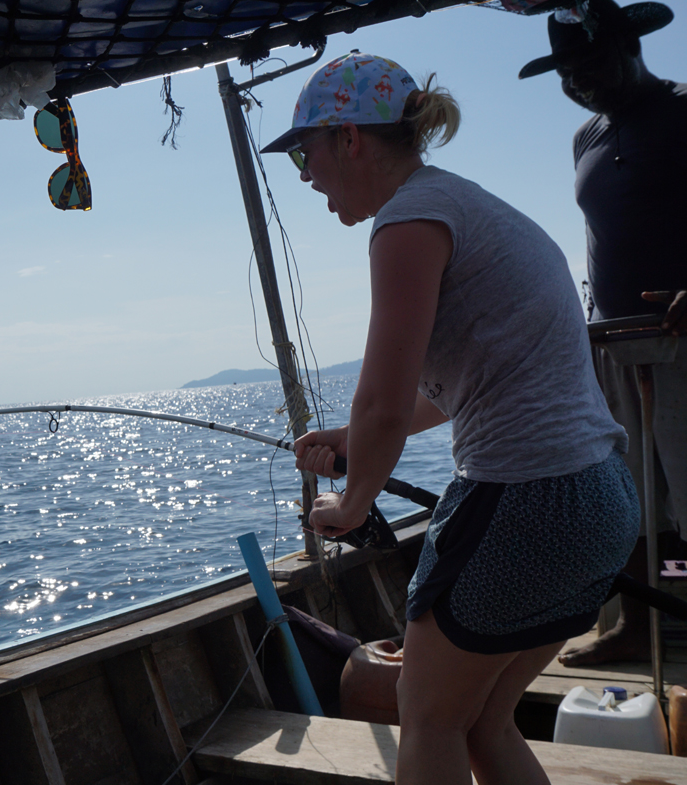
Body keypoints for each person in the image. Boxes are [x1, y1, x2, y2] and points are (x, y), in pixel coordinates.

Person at [264, 52, 640, 784]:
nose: (303, 173)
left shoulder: (407, 219)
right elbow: (462, 384)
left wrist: (354, 500)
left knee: (428, 718)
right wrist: (356, 443)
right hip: (599, 503)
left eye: (303, 151)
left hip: (525, 503)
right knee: (479, 723)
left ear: (349, 139)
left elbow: (378, 396)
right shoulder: (465, 204)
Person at [518, 0, 687, 666]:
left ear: (630, 47)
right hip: (611, 348)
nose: (578, 81)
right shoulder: (585, 137)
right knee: (630, 500)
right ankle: (637, 628)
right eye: (567, 72)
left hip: (681, 344)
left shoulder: (683, 108)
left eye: (589, 63)